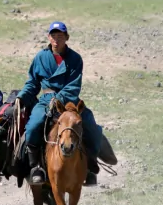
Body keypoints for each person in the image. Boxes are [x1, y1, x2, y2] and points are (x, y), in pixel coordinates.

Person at [16, 21, 101, 186]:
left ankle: (90, 166)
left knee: (91, 126)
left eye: (60, 36)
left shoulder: (75, 59)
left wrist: (59, 98)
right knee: (33, 126)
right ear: (48, 37)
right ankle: (35, 167)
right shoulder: (40, 57)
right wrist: (21, 97)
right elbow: (33, 83)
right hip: (46, 100)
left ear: (66, 38)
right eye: (53, 36)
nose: (56, 40)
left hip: (70, 102)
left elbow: (74, 85)